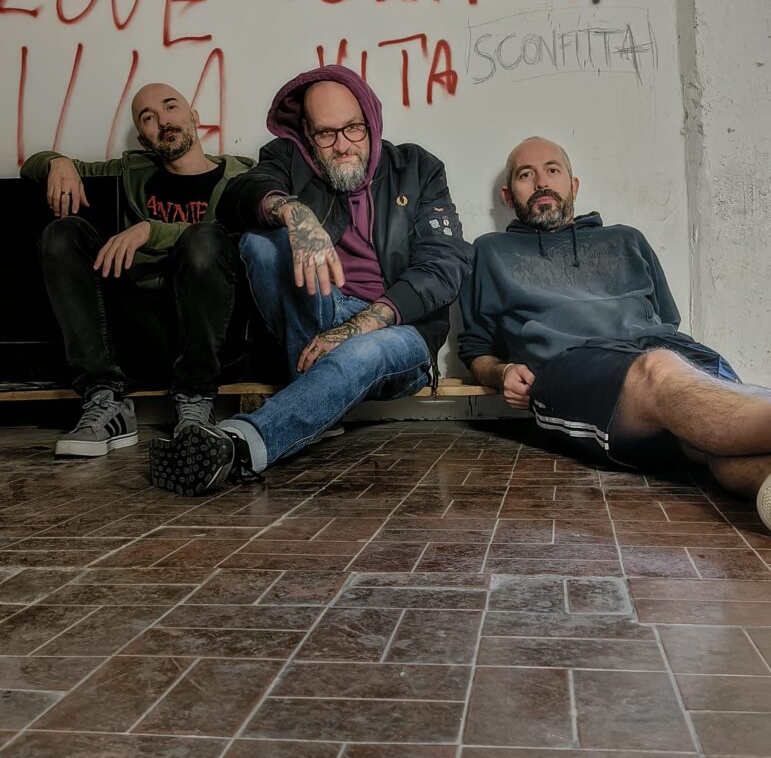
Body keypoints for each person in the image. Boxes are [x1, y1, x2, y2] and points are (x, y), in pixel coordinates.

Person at [149, 65, 471, 495]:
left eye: (353, 128)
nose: (343, 145)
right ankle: (316, 403)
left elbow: (445, 263)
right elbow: (238, 196)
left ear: (371, 121)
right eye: (325, 134)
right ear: (306, 133)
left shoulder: (417, 167)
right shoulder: (288, 158)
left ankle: (239, 443)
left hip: (397, 329)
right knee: (262, 243)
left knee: (365, 351)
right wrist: (292, 211)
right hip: (318, 313)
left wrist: (367, 322)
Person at [459, 135, 771, 530]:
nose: (541, 181)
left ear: (573, 186)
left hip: (672, 360)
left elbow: (666, 321)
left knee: (702, 434)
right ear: (508, 195)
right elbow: (476, 349)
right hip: (574, 367)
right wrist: (501, 372)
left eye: (553, 170)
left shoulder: (627, 239)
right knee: (658, 370)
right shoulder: (489, 251)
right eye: (526, 174)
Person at [21, 83, 254, 458]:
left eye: (171, 107)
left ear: (194, 117)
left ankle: (196, 402)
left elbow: (239, 239)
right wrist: (56, 162)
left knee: (205, 239)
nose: (163, 121)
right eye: (148, 117)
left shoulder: (243, 177)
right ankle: (104, 400)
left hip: (212, 339)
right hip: (143, 333)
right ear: (144, 138)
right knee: (63, 233)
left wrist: (151, 230)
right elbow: (30, 168)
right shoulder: (130, 172)